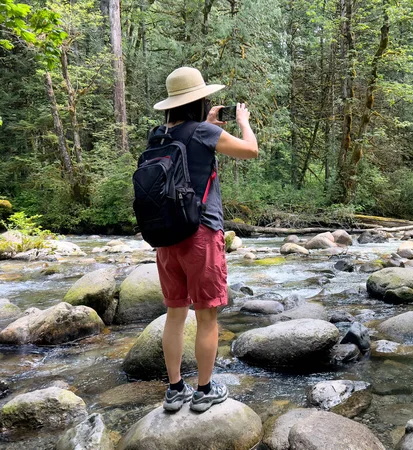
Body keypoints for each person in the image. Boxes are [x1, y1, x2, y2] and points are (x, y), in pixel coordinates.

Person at [151, 67, 258, 413]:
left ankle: (174, 390)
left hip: (166, 236)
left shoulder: (157, 135)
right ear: (200, 101)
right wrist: (243, 121)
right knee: (207, 317)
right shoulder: (204, 132)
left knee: (175, 313)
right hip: (201, 234)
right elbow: (250, 151)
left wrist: (208, 122)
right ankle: (204, 391)